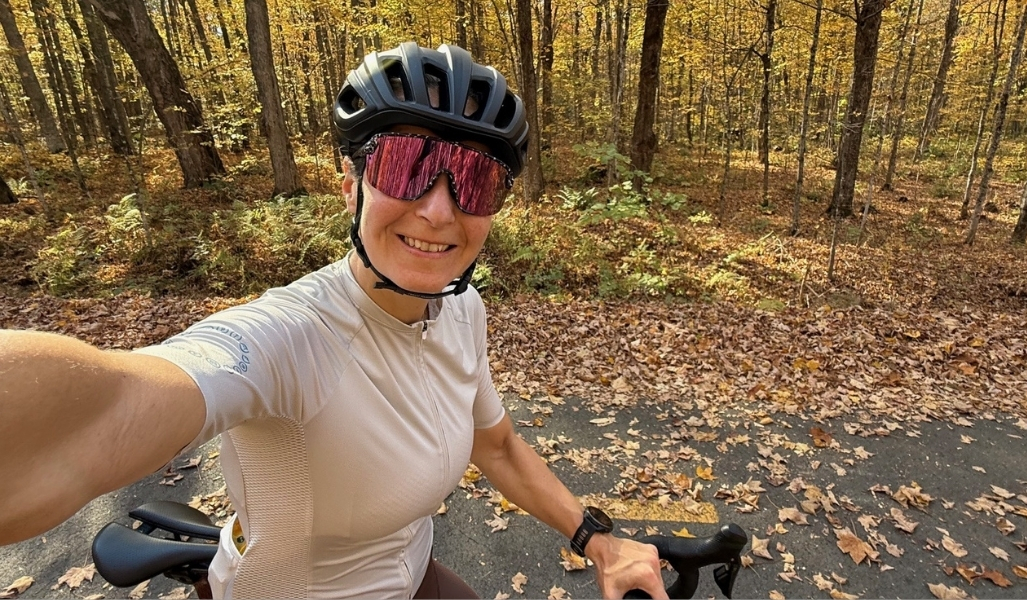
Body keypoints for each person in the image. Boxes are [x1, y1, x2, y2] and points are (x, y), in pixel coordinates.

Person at [0, 42, 668, 600]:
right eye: (406, 166)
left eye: (475, 178)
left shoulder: (462, 309)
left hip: (410, 580)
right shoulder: (293, 337)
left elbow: (495, 447)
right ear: (352, 188)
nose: (439, 211)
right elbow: (116, 399)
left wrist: (598, 539)